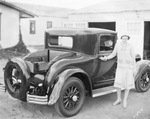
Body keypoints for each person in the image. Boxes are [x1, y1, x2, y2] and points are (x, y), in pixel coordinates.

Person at [101, 35, 136, 109]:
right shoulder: (118, 45)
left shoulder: (131, 46)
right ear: (121, 37)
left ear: (128, 38)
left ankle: (125, 100)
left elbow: (133, 58)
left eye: (126, 37)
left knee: (127, 84)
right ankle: (119, 99)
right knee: (118, 84)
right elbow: (114, 54)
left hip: (128, 67)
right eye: (123, 37)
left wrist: (134, 69)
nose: (124, 38)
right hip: (120, 67)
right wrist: (106, 58)